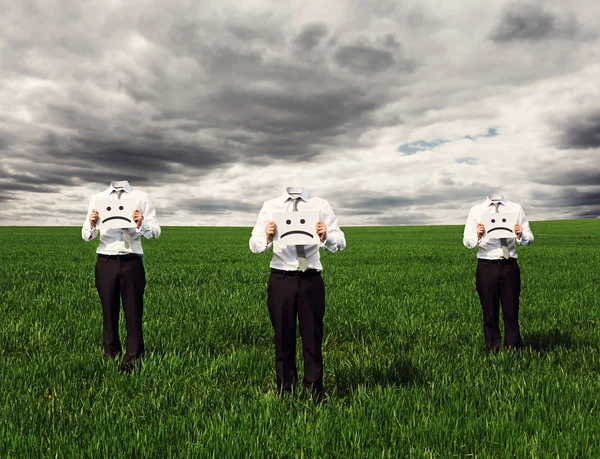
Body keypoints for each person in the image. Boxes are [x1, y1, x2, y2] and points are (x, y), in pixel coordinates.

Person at [250, 187, 346, 402]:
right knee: (283, 338)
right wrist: (266, 237)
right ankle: (285, 392)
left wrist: (327, 236)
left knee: (313, 338)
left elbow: (341, 242)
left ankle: (315, 392)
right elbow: (254, 245)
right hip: (280, 279)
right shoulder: (270, 205)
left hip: (311, 279)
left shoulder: (320, 205)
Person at [82, 180, 161, 372]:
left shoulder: (141, 197)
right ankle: (112, 357)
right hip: (105, 261)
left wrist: (141, 224)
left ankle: (133, 360)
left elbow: (156, 232)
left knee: (134, 313)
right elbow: (86, 235)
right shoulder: (98, 198)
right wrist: (92, 224)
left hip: (131, 261)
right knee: (109, 312)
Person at [463, 194, 534, 354]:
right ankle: (492, 350)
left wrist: (521, 234)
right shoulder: (476, 210)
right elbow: (467, 241)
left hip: (510, 266)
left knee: (511, 311)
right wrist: (477, 236)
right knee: (489, 311)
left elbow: (530, 238)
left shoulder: (515, 208)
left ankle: (513, 351)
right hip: (486, 266)